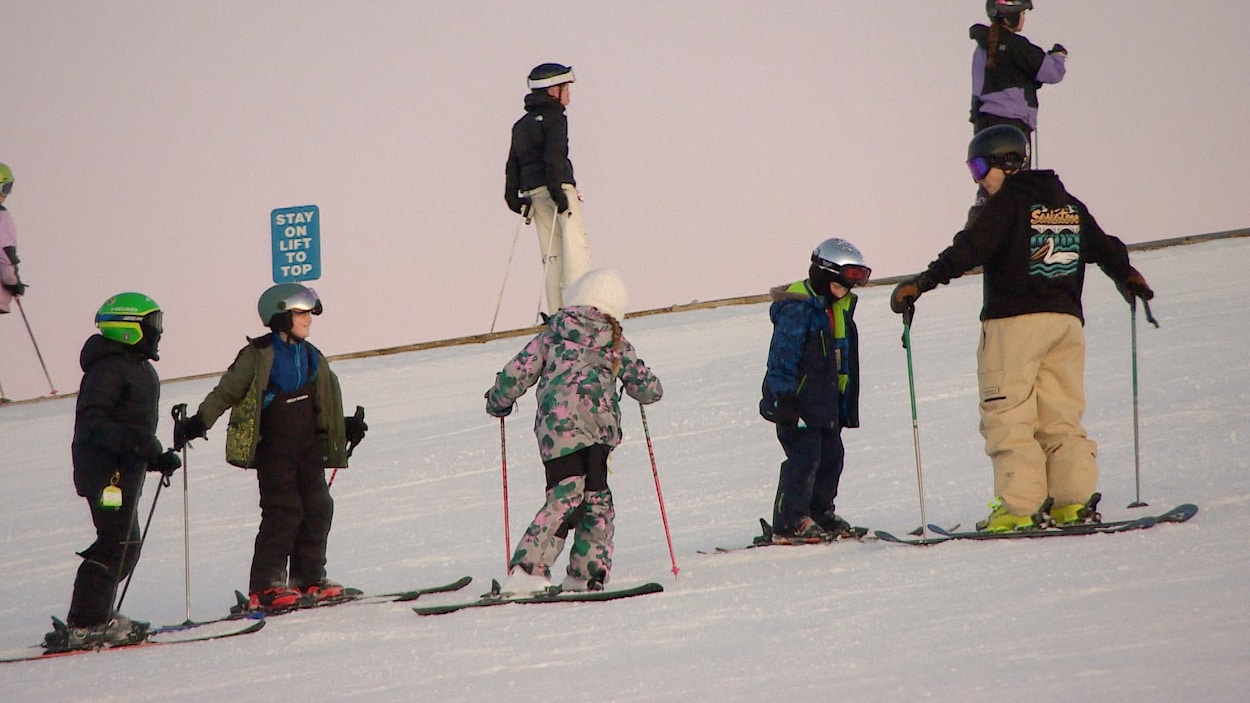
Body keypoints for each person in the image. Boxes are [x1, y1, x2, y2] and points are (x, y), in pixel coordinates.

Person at [889, 125, 1154, 533]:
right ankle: (1071, 501)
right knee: (1060, 415)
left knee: (1008, 413)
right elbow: (1103, 246)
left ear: (1008, 162)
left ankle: (1019, 506)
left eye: (980, 167)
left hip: (1013, 324)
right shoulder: (1068, 206)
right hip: (1065, 323)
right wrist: (1127, 275)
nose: (978, 179)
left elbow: (969, 249)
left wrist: (921, 284)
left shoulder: (1007, 204)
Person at [171, 283, 367, 611]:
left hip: (307, 447)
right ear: (281, 316)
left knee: (318, 507)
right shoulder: (259, 355)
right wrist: (199, 422)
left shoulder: (311, 355)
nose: (309, 319)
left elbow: (322, 402)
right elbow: (226, 392)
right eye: (301, 313)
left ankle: (308, 579)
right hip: (274, 449)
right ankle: (266, 587)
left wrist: (343, 426)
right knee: (283, 511)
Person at [485, 268, 662, 594]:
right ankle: (586, 572)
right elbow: (648, 387)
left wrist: (498, 401)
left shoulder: (551, 336)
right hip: (599, 432)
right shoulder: (616, 341)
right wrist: (645, 391)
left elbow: (515, 374)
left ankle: (530, 569)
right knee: (596, 499)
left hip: (559, 431)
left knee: (566, 494)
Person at [44, 293, 183, 652]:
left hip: (123, 471)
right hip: (105, 473)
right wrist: (142, 445)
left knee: (124, 544)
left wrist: (155, 457)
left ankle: (95, 615)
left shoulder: (137, 368)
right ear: (127, 328)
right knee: (117, 543)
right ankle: (86, 622)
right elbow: (95, 423)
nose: (158, 331)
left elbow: (130, 427)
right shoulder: (108, 369)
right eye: (152, 324)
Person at [759, 239, 870, 541]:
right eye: (838, 285)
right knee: (804, 459)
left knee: (832, 456)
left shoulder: (838, 308)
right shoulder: (798, 309)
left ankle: (819, 513)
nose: (844, 292)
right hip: (796, 403)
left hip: (826, 403)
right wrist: (785, 396)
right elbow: (781, 357)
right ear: (823, 276)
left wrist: (844, 401)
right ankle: (790, 521)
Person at [504, 62, 593, 315]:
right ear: (553, 90)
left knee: (551, 255)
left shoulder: (521, 124)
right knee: (575, 250)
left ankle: (557, 312)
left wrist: (514, 199)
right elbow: (554, 156)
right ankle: (579, 311)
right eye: (566, 88)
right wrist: (559, 194)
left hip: (533, 194)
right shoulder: (556, 118)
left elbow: (512, 165)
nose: (569, 95)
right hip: (558, 189)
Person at [967, 0, 1067, 224]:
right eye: (1022, 13)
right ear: (1012, 16)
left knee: (989, 186)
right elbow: (1051, 72)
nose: (1023, 18)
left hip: (984, 126)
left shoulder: (982, 48)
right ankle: (1018, 231)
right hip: (1012, 126)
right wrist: (1059, 56)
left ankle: (978, 232)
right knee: (1017, 184)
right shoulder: (1015, 45)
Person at [0, 162, 27, 315]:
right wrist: (14, 283)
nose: (6, 194)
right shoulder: (2, 217)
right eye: (5, 187)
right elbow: (5, 253)